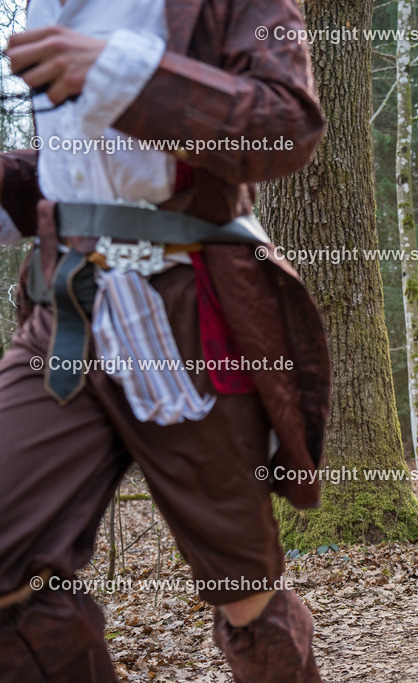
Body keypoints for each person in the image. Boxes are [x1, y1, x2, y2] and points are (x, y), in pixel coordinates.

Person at [0, 2, 330, 680]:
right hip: (65, 310)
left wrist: (121, 76)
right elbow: (85, 168)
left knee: (247, 596)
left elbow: (286, 125)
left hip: (192, 310)